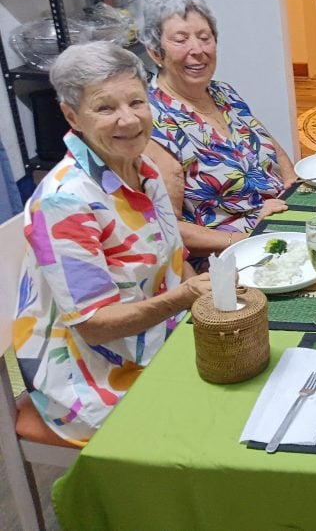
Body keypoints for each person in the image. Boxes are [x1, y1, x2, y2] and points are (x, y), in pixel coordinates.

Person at [14, 42, 213, 445]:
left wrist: (202, 308)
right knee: (220, 427)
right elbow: (94, 327)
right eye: (105, 108)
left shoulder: (143, 168)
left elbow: (175, 261)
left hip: (162, 335)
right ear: (72, 116)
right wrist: (186, 298)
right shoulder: (65, 201)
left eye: (136, 102)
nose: (128, 120)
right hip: (95, 376)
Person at [141, 0, 296, 267]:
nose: (197, 50)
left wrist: (292, 188)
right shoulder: (153, 121)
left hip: (279, 223)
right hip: (232, 257)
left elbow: (271, 146)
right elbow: (167, 227)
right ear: (155, 53)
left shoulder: (223, 92)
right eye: (180, 40)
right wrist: (248, 237)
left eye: (204, 37)